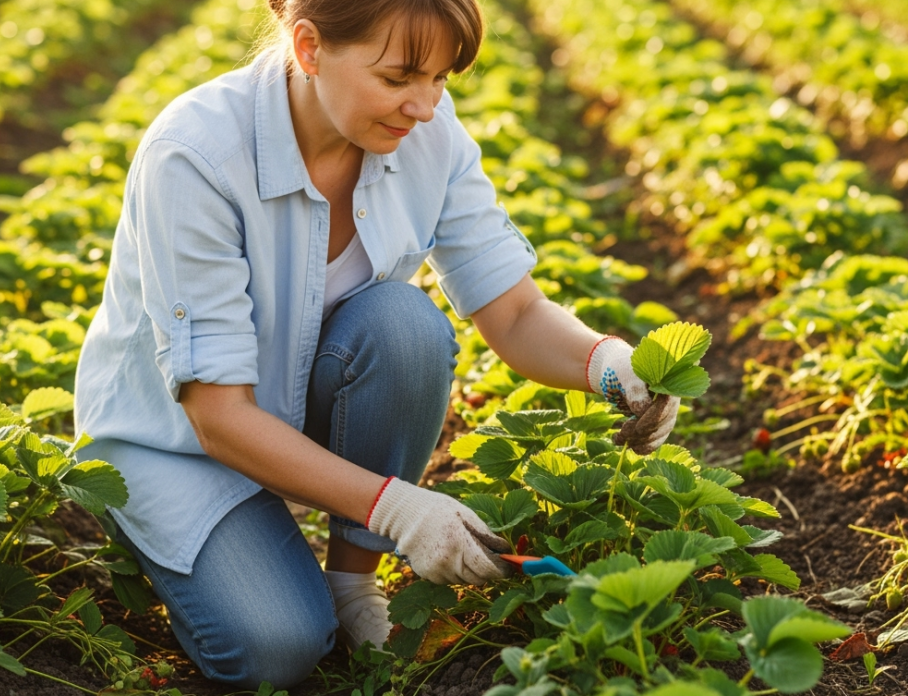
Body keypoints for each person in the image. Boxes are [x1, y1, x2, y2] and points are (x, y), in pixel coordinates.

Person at [72, 0, 678, 688]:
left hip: (293, 405)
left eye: (441, 80)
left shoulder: (426, 135)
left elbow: (512, 312)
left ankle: (351, 586)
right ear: (308, 47)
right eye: (399, 78)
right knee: (278, 648)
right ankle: (166, 537)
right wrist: (398, 508)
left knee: (404, 325)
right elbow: (218, 416)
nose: (423, 106)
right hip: (179, 445)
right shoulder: (197, 156)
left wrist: (607, 363)